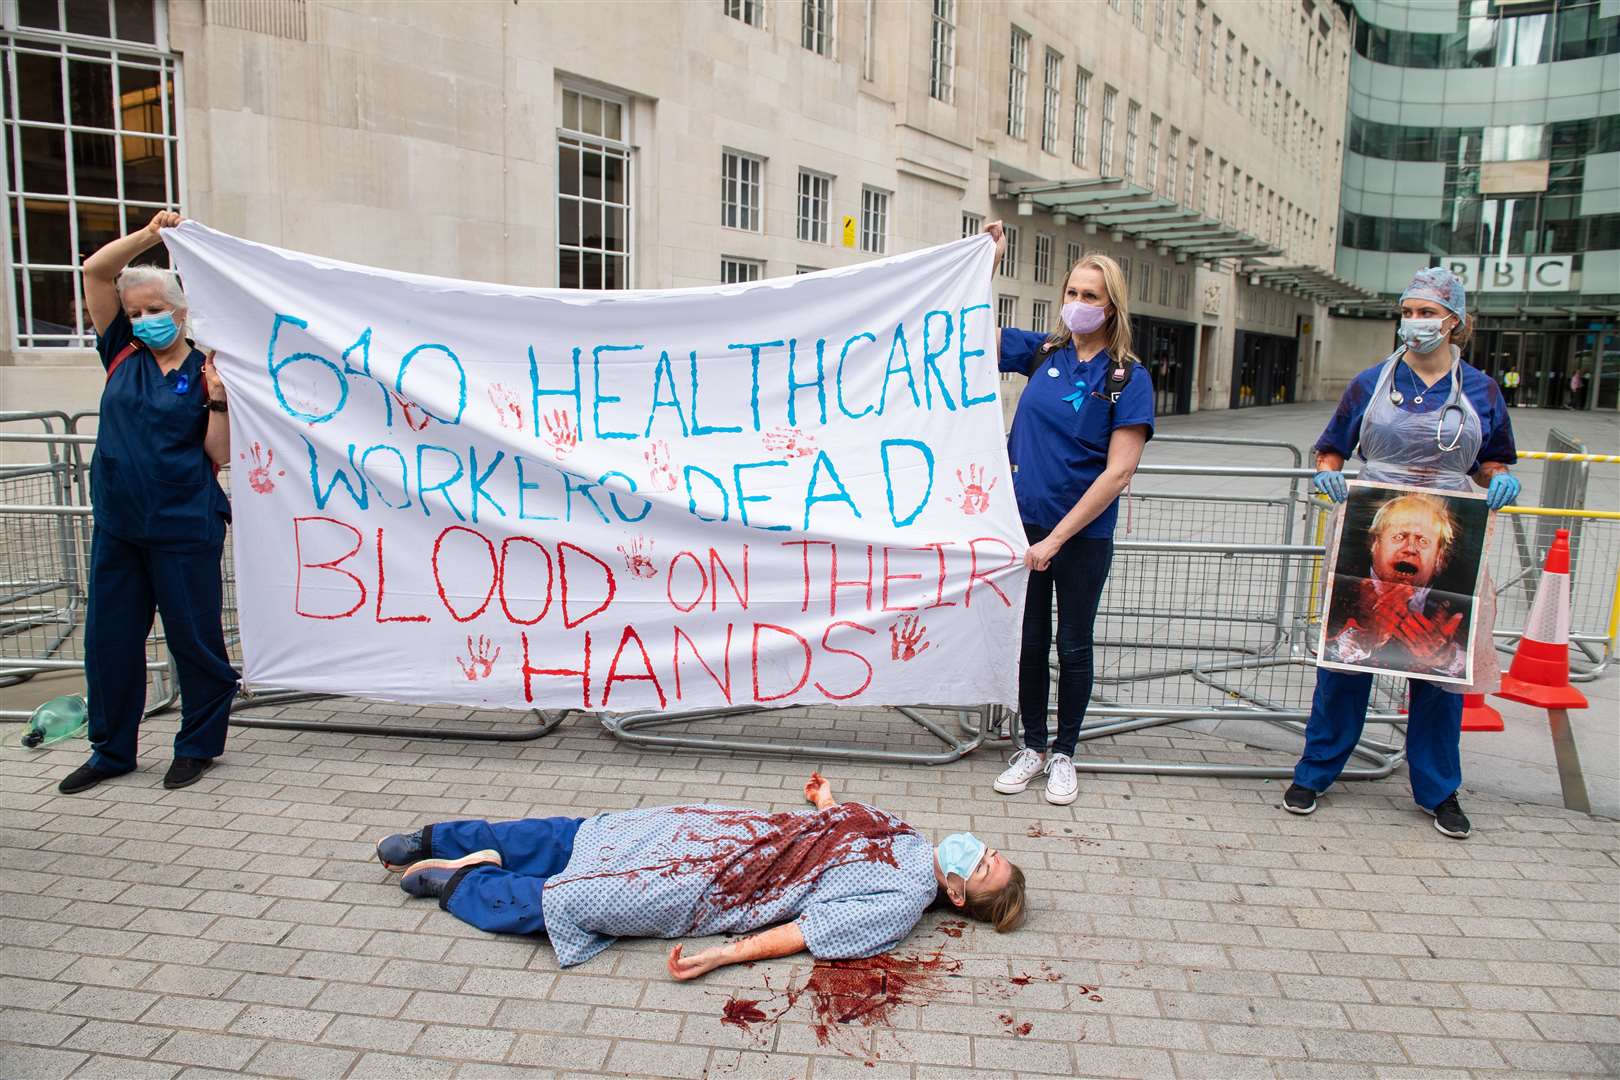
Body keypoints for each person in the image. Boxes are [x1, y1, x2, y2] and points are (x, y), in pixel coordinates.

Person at [378, 771, 1026, 976]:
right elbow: (843, 829)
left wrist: (721, 957)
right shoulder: (908, 836)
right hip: (731, 831)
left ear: (958, 893)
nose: (982, 850)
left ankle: (464, 883)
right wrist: (827, 800)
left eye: (986, 867)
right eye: (993, 850)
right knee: (591, 833)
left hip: (726, 884)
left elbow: (807, 931)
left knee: (589, 896)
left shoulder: (902, 899)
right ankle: (441, 841)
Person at [1297, 266, 1518, 839]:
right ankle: (1316, 771)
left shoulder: (1481, 391)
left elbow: (1494, 456)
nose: (1415, 323)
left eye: (1427, 313)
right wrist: (1328, 476)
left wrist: (1499, 480)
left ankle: (1439, 790)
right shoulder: (1370, 383)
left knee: (1439, 665)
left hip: (1449, 534)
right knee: (1349, 657)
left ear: (1455, 322)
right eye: (1408, 311)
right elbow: (1331, 448)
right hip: (1373, 527)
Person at [57, 212, 237, 795]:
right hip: (119, 526)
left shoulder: (207, 365)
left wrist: (216, 402)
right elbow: (94, 269)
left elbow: (221, 454)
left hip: (185, 525)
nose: (143, 320)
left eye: (154, 310)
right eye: (135, 312)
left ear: (181, 311)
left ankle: (198, 746)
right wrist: (151, 236)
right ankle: (111, 751)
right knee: (108, 641)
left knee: (194, 640)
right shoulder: (121, 352)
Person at [980, 225, 1154, 806]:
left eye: (1091, 296)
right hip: (1022, 529)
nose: (1077, 304)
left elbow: (1118, 472)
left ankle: (1064, 754)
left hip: (1079, 536)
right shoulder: (1046, 352)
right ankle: (1030, 745)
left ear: (1112, 307)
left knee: (1073, 643)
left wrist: (1056, 538)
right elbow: (976, 329)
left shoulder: (1127, 377)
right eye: (1072, 292)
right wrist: (987, 259)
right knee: (1029, 641)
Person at [1324, 493, 1468, 678]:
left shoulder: (1460, 600)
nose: (1410, 548)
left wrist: (1446, 657)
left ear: (1440, 557)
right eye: (1399, 536)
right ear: (1374, 543)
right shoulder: (1341, 584)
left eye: (1423, 541)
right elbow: (1327, 652)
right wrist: (1360, 639)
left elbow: (1469, 665)